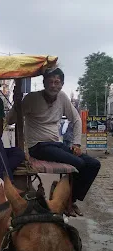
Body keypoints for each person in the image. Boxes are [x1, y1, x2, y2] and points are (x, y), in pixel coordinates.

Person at [7, 67, 101, 216]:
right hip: (38, 146)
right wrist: (16, 103)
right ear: (44, 83)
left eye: (57, 82)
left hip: (57, 144)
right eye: (50, 82)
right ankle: (65, 200)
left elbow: (76, 119)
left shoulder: (62, 97)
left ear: (62, 84)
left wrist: (76, 143)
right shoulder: (31, 98)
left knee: (94, 164)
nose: (53, 85)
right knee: (79, 163)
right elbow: (10, 120)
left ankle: (71, 199)